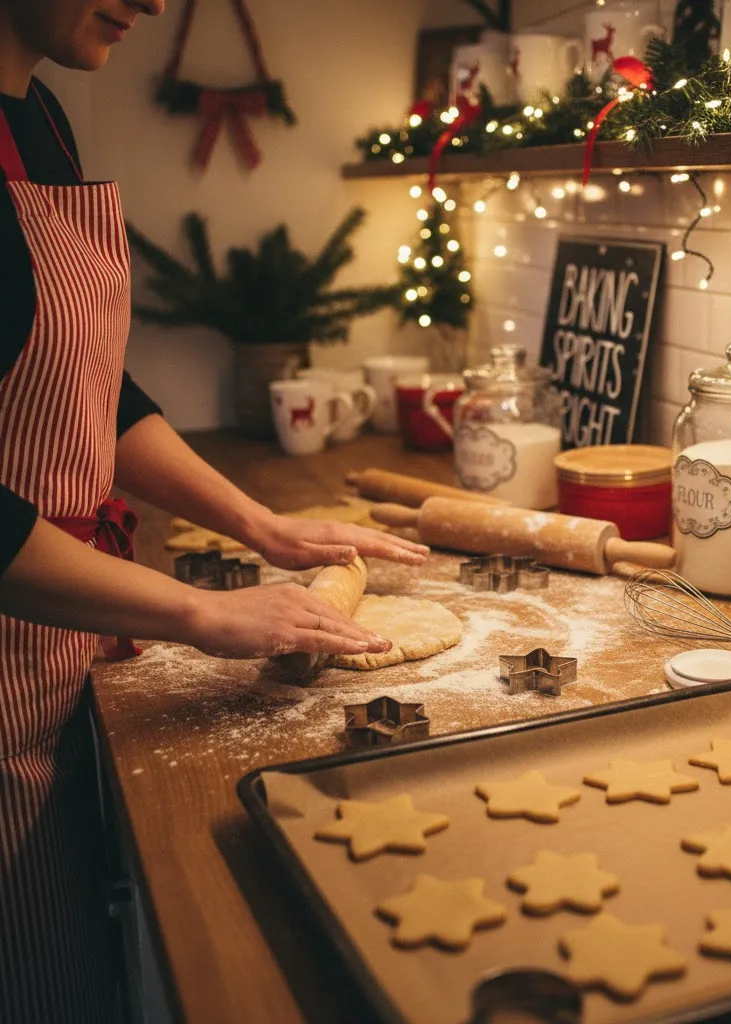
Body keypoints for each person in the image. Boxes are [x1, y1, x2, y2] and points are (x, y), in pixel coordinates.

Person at [0, 2, 430, 1020]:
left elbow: (86, 388)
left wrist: (262, 526)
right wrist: (198, 612)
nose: (155, 1)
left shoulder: (41, 115)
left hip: (53, 635)